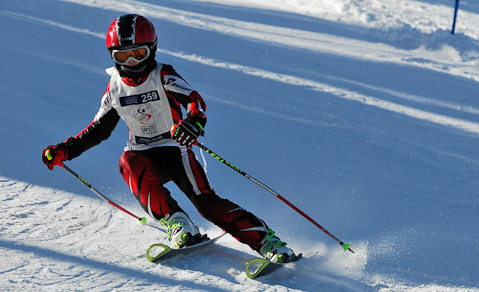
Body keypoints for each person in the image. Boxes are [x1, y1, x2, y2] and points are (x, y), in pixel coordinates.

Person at [42, 14, 296, 263]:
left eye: (138, 54)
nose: (131, 62)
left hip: (178, 148)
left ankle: (267, 243)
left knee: (207, 204)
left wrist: (193, 122)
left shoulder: (163, 75)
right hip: (143, 152)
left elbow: (194, 100)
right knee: (127, 160)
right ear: (113, 56)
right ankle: (179, 224)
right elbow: (98, 129)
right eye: (123, 56)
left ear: (152, 50)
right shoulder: (116, 87)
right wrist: (65, 150)